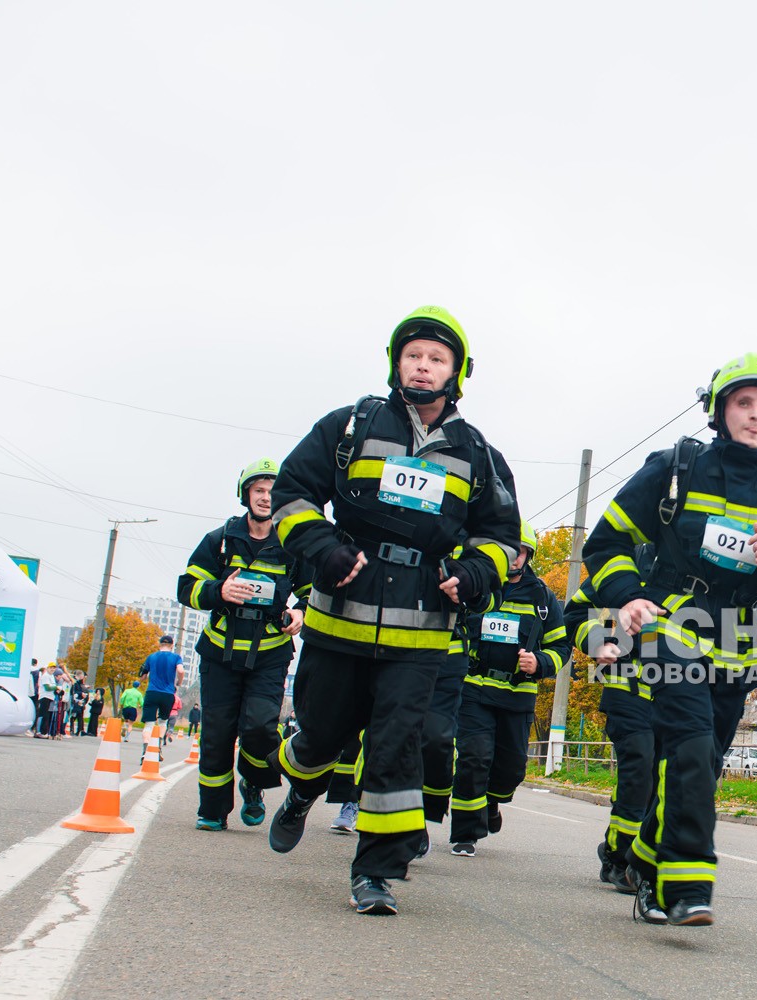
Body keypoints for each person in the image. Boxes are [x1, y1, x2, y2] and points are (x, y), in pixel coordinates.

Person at [266, 305, 521, 916]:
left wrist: (473, 572)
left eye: (437, 359)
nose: (424, 367)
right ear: (395, 363)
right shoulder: (349, 425)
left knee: (394, 746)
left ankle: (375, 871)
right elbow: (291, 494)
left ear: (455, 372)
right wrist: (322, 548)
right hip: (338, 617)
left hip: (421, 632)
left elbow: (501, 537)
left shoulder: (477, 453)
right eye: (414, 356)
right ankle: (302, 788)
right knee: (323, 734)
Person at [581, 353, 757, 926]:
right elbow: (604, 545)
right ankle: (688, 885)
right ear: (720, 412)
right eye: (743, 403)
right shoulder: (675, 469)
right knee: (689, 748)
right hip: (672, 624)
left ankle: (645, 864)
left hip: (739, 636)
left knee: (701, 766)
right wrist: (628, 594)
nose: (754, 415)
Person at [178, 459, 314, 831]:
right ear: (246, 495)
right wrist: (218, 590)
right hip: (220, 652)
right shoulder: (220, 540)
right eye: (259, 490)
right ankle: (212, 810)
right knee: (217, 733)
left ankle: (253, 784)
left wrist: (301, 613)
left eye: (272, 491)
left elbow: (312, 594)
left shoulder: (292, 545)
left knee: (259, 728)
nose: (266, 498)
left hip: (269, 653)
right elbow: (186, 588)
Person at [448, 520, 569, 858]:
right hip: (474, 689)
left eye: (522, 551)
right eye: (510, 549)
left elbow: (562, 648)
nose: (515, 557)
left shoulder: (543, 598)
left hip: (518, 696)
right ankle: (465, 833)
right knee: (474, 757)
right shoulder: (478, 586)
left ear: (528, 556)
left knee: (512, 768)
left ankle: (491, 802)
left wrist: (540, 663)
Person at [562, 550, 657, 892]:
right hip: (627, 690)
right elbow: (574, 613)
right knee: (639, 772)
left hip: (679, 696)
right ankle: (619, 859)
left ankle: (643, 856)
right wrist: (598, 640)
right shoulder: (623, 567)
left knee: (664, 782)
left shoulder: (696, 566)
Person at [139, 636, 185, 751]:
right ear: (171, 645)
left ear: (160, 644)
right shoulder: (176, 657)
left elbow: (143, 676)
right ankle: (157, 747)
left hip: (152, 692)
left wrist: (139, 681)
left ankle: (145, 749)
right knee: (163, 721)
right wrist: (179, 682)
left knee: (149, 724)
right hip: (168, 694)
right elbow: (180, 670)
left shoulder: (151, 657)